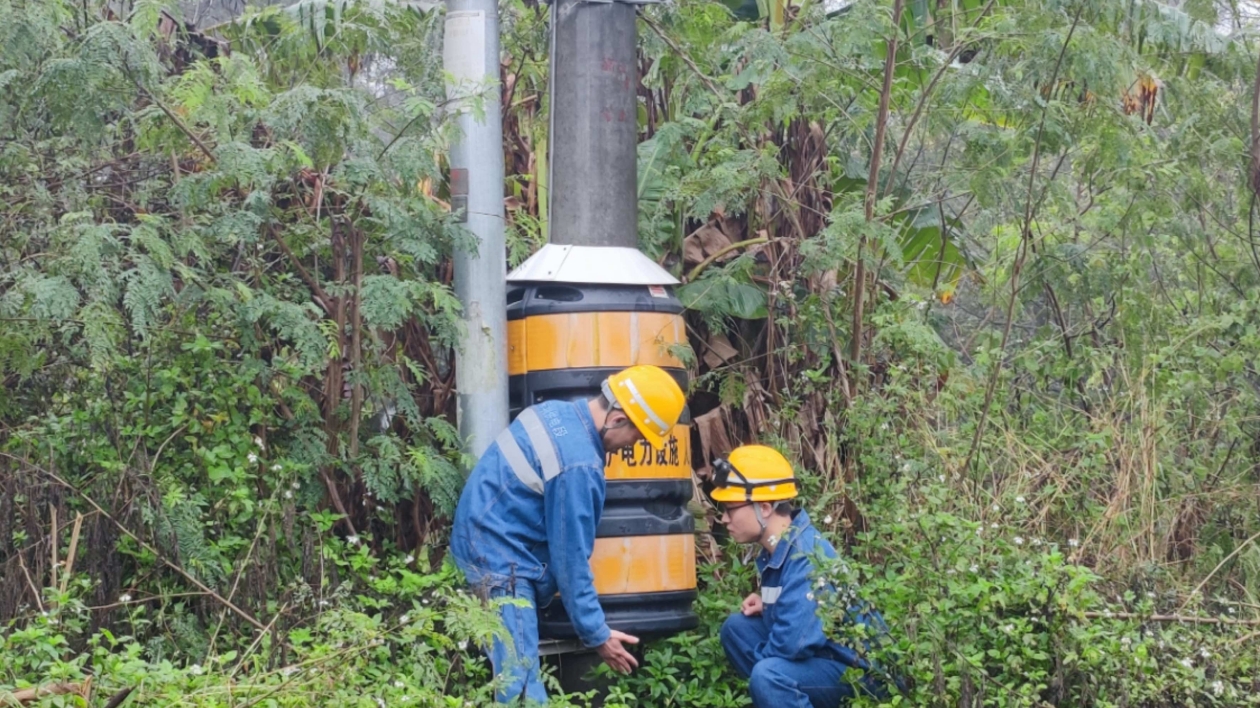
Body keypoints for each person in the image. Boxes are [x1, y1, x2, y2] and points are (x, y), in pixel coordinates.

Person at [450, 364, 687, 704]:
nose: (631, 448)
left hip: (477, 542)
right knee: (521, 688)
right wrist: (597, 634)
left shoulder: (554, 412)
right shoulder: (579, 465)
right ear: (618, 419)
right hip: (500, 565)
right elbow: (570, 561)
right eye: (637, 437)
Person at [712, 445, 890, 708]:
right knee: (737, 630)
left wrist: (768, 672)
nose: (724, 519)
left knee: (768, 676)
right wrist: (771, 605)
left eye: (730, 508)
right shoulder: (782, 545)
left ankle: (777, 694)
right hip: (826, 658)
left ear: (764, 508)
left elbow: (791, 645)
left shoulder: (805, 555)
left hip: (865, 676)